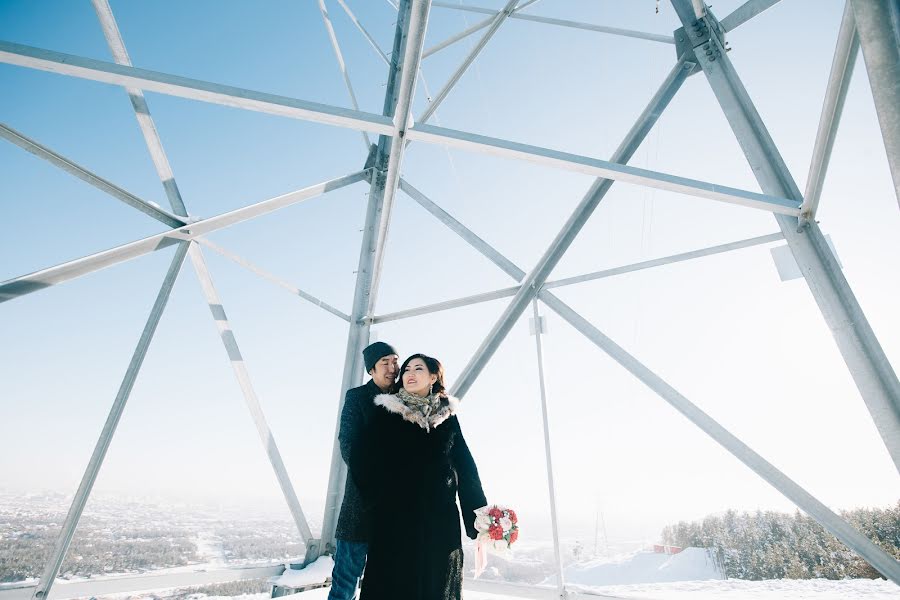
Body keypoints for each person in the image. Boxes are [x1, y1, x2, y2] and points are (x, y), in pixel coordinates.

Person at [350, 354, 487, 600]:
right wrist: (380, 503)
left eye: (418, 368)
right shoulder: (386, 413)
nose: (409, 373)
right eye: (406, 370)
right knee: (394, 585)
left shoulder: (447, 417)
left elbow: (465, 467)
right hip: (395, 521)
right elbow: (362, 462)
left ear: (433, 377)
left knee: (438, 585)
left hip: (440, 523)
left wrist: (477, 517)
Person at [330, 341, 400, 600]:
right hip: (359, 508)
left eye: (395, 361)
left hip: (393, 515)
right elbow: (347, 444)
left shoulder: (405, 399)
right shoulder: (357, 397)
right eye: (385, 362)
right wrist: (376, 483)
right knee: (345, 584)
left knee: (385, 587)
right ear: (371, 369)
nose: (393, 368)